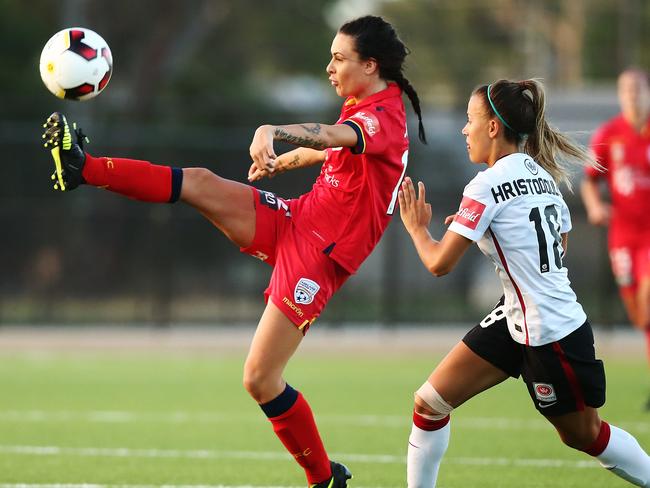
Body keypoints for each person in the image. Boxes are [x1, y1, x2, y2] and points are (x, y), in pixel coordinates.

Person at [41, 15, 426, 488]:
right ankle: (84, 168)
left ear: (370, 65)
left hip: (319, 256)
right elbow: (333, 150)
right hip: (298, 219)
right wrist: (281, 161)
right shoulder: (363, 103)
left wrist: (272, 130)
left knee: (260, 379)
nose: (329, 67)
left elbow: (330, 136)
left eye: (339, 58)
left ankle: (324, 478)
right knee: (200, 182)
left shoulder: (383, 115)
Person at [398, 78, 650, 487]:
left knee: (585, 435)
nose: (465, 129)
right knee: (429, 403)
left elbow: (438, 264)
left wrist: (417, 229)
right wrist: (486, 232)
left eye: (469, 120)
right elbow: (557, 242)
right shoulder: (542, 175)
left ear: (494, 128)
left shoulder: (487, 184)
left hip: (551, 332)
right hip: (517, 316)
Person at [581, 68, 650, 407]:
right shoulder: (610, 134)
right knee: (641, 317)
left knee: (649, 300)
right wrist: (595, 206)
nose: (632, 94)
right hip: (622, 236)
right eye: (626, 89)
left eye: (638, 88)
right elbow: (590, 179)